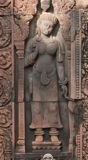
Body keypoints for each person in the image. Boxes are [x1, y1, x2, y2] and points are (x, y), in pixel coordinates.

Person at [25, 11, 67, 147]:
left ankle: (54, 132)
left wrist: (62, 81)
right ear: (39, 24)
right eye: (45, 25)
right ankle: (39, 133)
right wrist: (35, 53)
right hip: (37, 76)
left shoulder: (56, 43)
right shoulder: (33, 42)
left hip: (52, 76)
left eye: (50, 27)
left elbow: (60, 64)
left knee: (53, 105)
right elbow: (25, 62)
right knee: (37, 105)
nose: (47, 29)